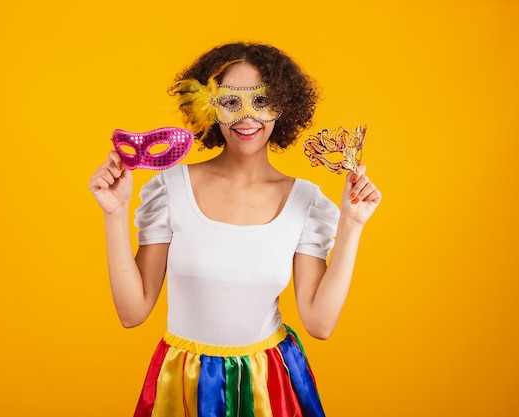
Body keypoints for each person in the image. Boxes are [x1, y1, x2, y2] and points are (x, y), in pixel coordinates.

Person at [88, 42, 382, 417]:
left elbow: (320, 323)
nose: (248, 117)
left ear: (284, 106)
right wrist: (114, 213)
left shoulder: (305, 202)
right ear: (208, 107)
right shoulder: (170, 188)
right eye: (231, 102)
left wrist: (352, 224)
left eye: (261, 101)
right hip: (185, 382)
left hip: (268, 382)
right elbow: (132, 312)